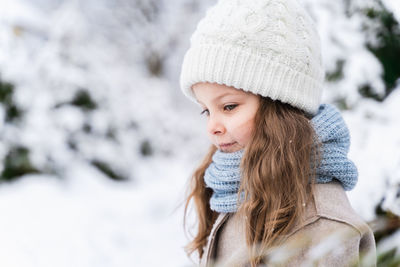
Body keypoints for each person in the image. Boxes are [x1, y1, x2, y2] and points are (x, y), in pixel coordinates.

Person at [179, 0, 377, 266]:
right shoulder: (232, 190)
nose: (212, 127)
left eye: (229, 106)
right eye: (206, 110)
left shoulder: (323, 225)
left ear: (280, 105)